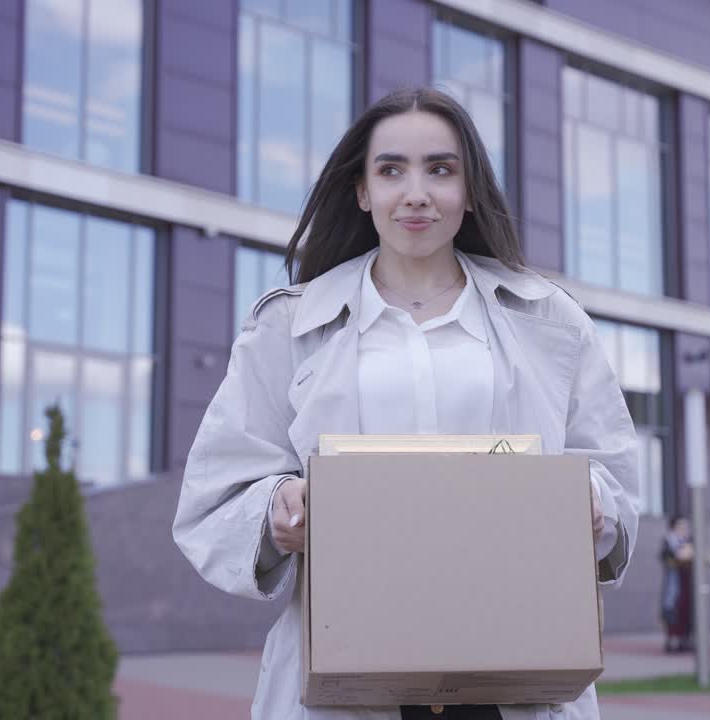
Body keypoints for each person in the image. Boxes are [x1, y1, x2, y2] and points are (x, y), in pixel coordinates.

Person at [172, 87, 641, 720]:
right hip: (346, 675)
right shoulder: (287, 326)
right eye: (391, 169)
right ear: (362, 192)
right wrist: (275, 512)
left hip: (516, 676)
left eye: (440, 170)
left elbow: (614, 477)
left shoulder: (551, 320)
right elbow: (216, 492)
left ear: (469, 190)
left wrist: (593, 506)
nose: (415, 192)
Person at [659, 515, 695, 653]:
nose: (684, 529)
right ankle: (672, 641)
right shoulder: (668, 541)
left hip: (687, 583)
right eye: (681, 526)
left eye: (685, 526)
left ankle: (685, 640)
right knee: (672, 610)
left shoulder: (689, 542)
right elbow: (665, 558)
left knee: (687, 612)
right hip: (674, 583)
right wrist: (678, 557)